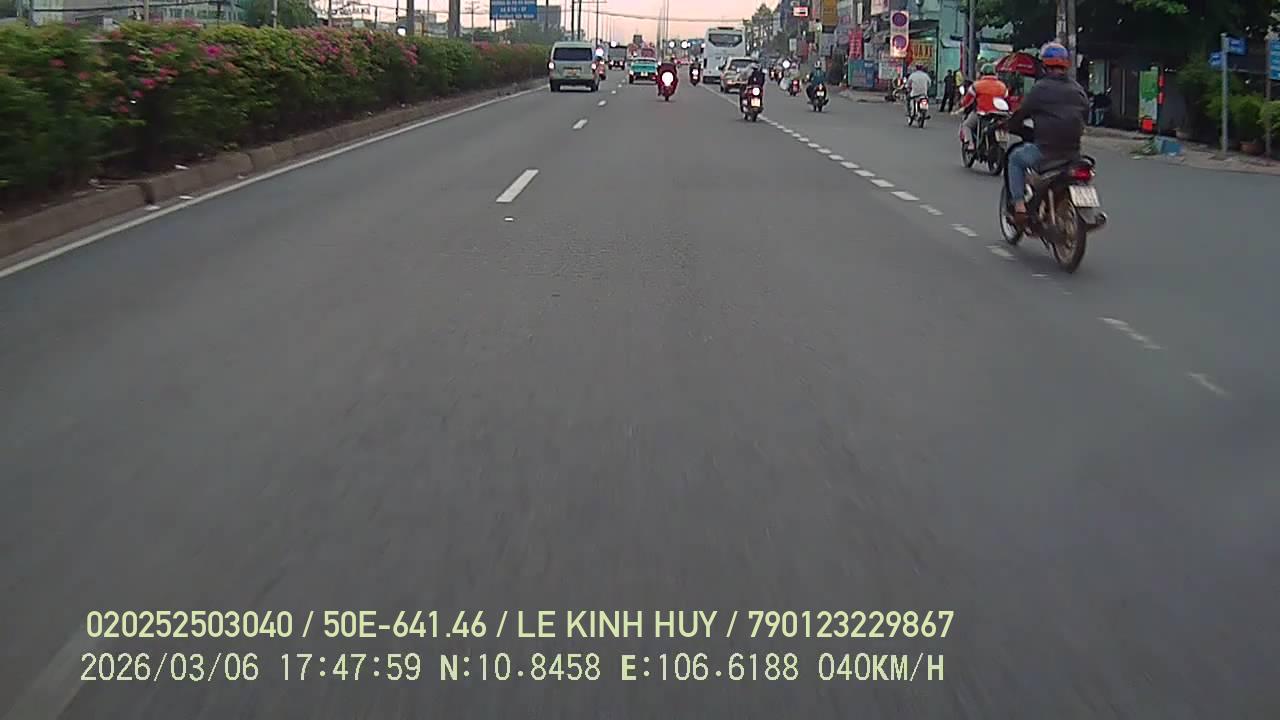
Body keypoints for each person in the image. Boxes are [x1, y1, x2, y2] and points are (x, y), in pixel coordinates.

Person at [1005, 42, 1089, 226]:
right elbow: (1085, 114)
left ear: (1044, 65)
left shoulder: (1040, 88)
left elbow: (1022, 112)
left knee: (1015, 159)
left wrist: (1010, 125)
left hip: (1046, 151)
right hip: (1073, 153)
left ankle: (1019, 207)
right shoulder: (1078, 89)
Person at [958, 63, 1010, 148]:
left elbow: (967, 99)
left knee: (966, 125)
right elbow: (1007, 99)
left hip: (983, 113)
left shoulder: (977, 85)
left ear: (982, 73)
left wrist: (961, 103)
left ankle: (970, 144)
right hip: (1000, 115)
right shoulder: (1002, 86)